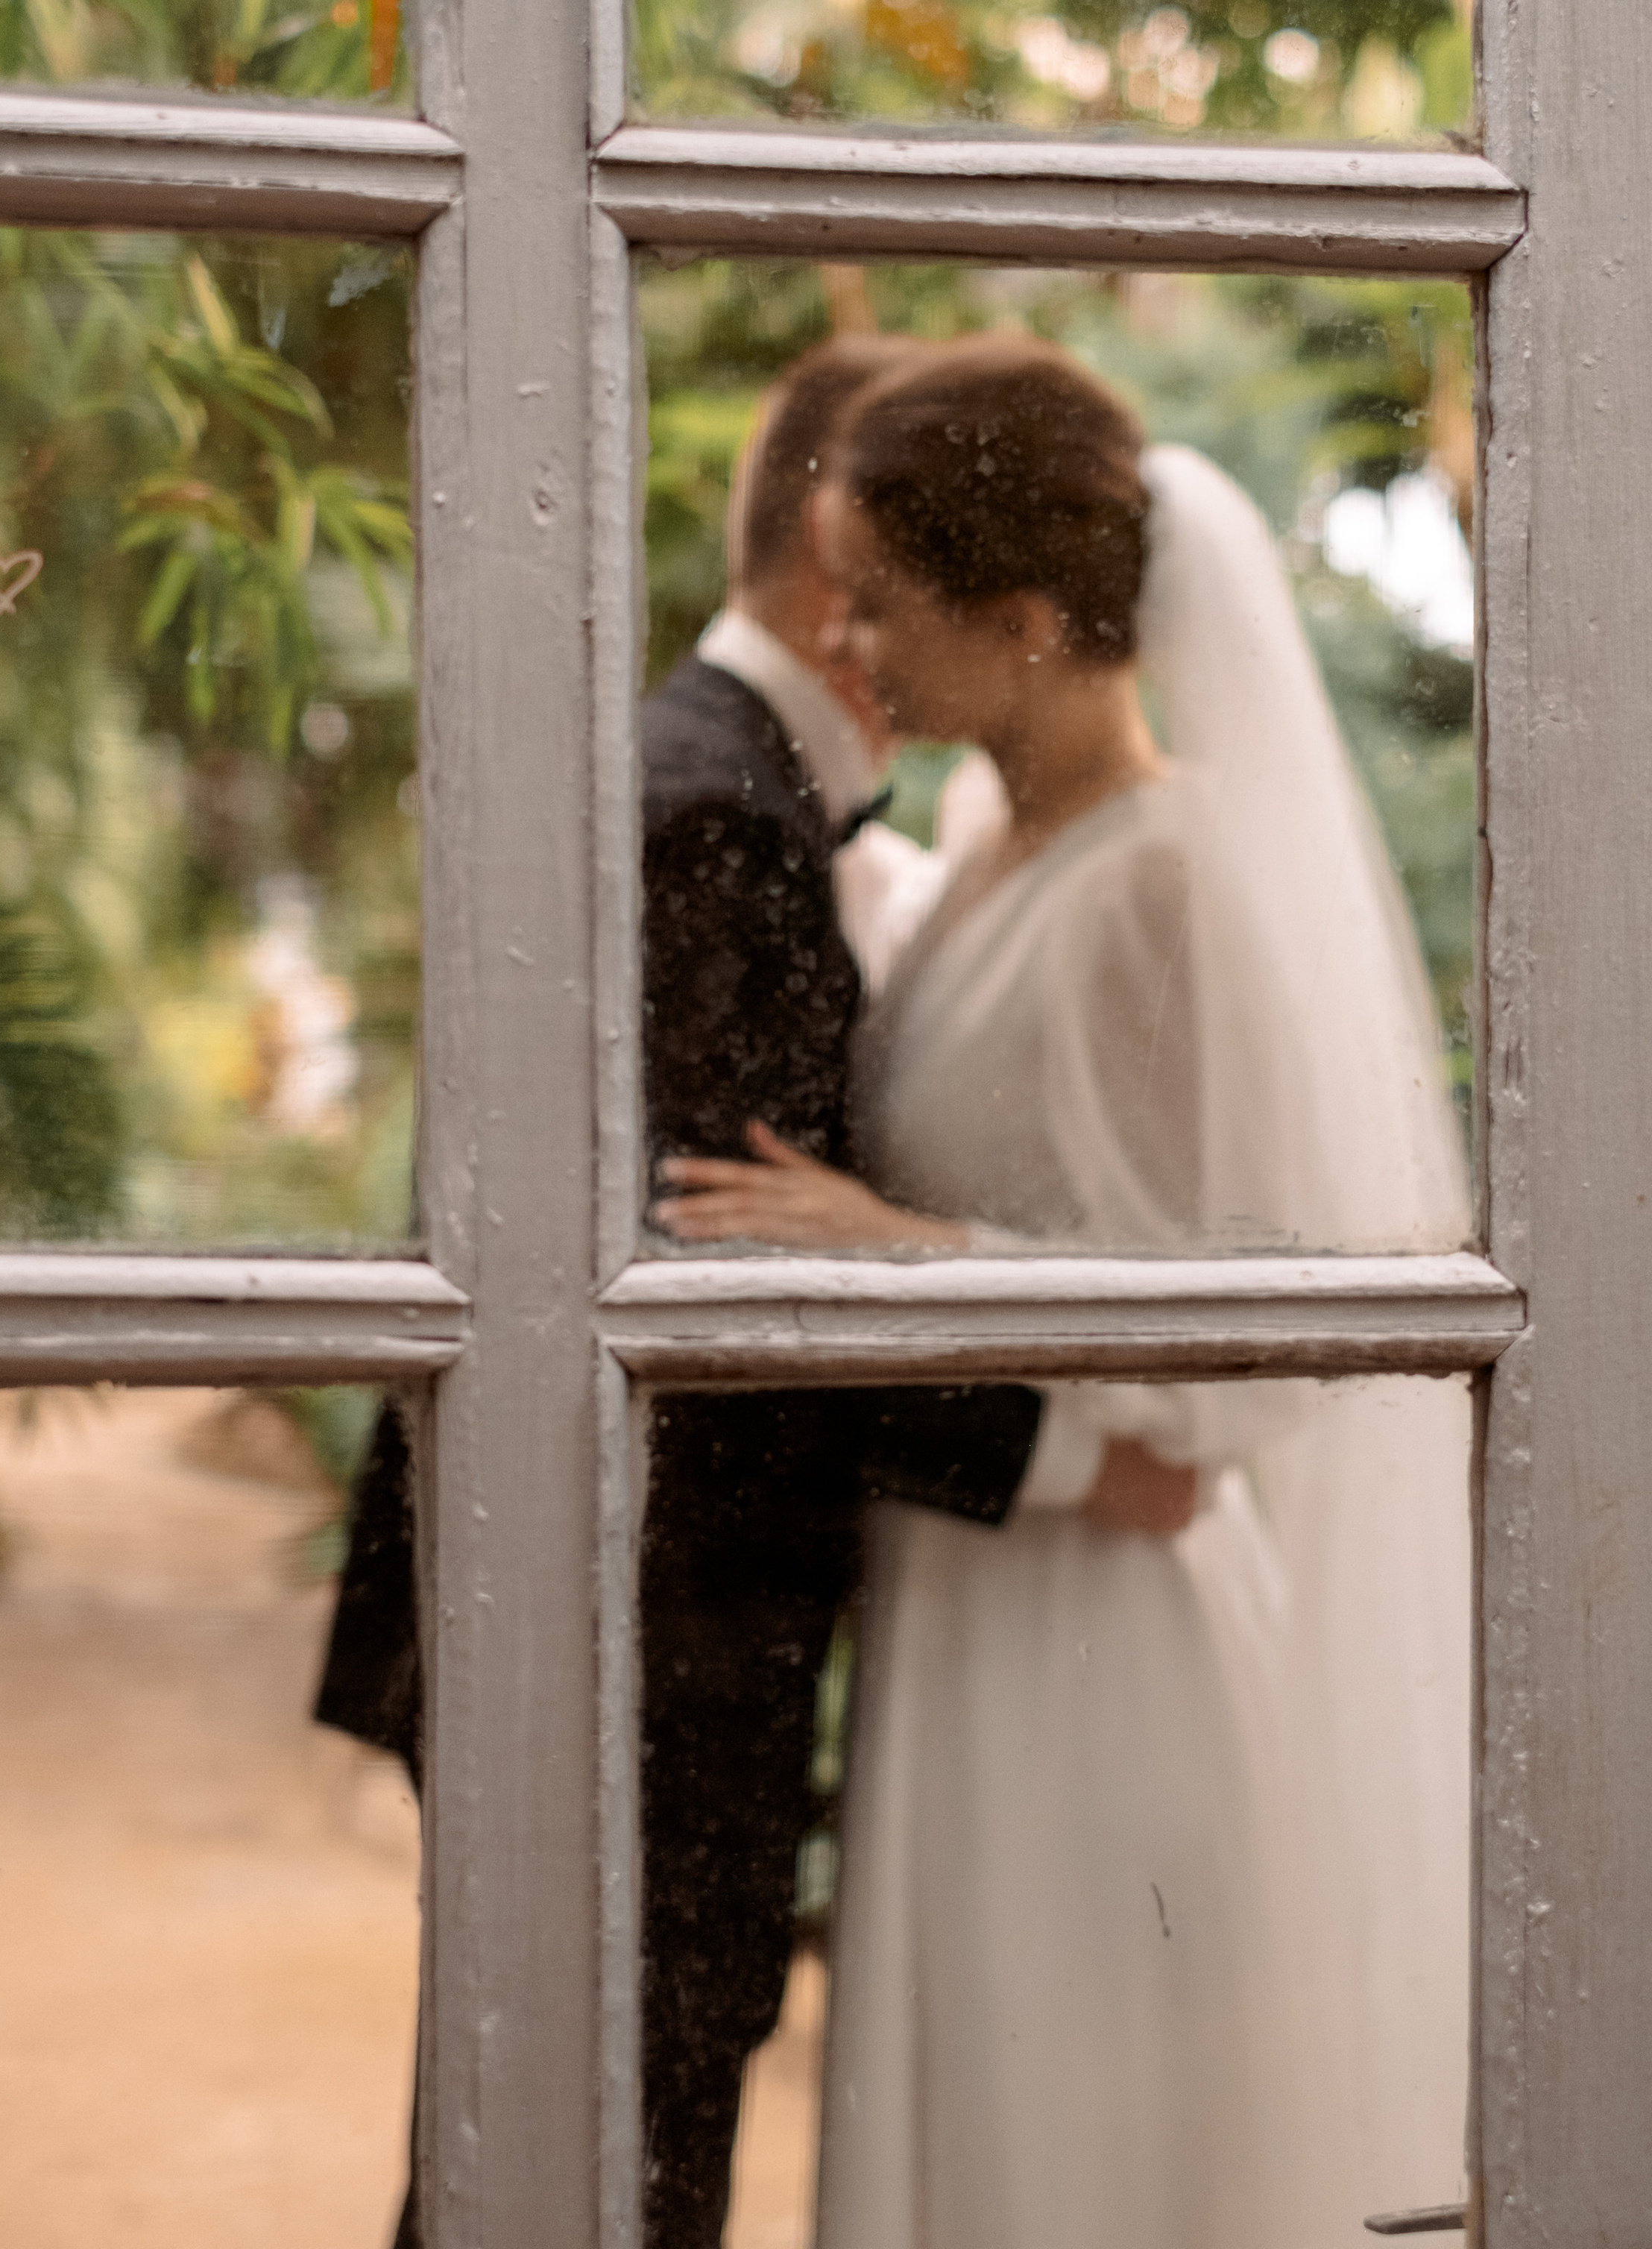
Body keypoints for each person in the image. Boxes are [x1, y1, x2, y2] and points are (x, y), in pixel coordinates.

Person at [320, 337, 1179, 2249]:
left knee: (550, 2149)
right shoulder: (718, 813)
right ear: (827, 556)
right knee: (592, 2164)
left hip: (632, 1615)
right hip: (643, 1628)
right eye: (866, 589)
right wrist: (1054, 1450)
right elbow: (721, 1271)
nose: (879, 635)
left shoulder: (713, 784)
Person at [656, 335, 1473, 2249]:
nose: (848, 645)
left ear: (1022, 621)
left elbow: (1276, 1333)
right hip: (973, 1612)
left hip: (1103, 1662)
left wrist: (915, 1258)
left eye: (885, 609)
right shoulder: (965, 837)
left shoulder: (1171, 886)